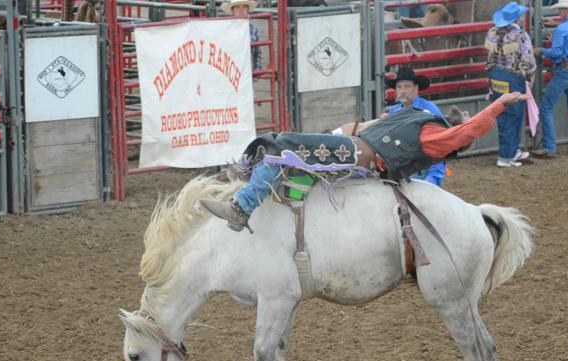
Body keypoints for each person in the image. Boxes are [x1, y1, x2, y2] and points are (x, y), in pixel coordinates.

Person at [200, 92, 528, 232]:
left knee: (283, 145)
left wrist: (498, 105)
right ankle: (274, 193)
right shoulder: (422, 122)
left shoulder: (430, 130)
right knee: (286, 147)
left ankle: (241, 206)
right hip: (357, 151)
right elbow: (464, 131)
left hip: (358, 157)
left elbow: (465, 132)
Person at [533, 0, 568, 159]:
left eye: (561, 9)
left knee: (545, 107)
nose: (559, 12)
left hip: (564, 70)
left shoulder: (562, 29)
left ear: (566, 10)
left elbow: (557, 52)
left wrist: (541, 50)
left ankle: (550, 147)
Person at [485, 2, 537, 168]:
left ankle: (511, 150)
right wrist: (530, 74)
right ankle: (506, 155)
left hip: (495, 77)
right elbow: (528, 62)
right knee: (514, 115)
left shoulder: (492, 33)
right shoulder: (521, 35)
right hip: (513, 78)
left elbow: (489, 57)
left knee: (502, 113)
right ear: (518, 18)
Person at [385, 67, 448, 185]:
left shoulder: (430, 111)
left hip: (423, 172)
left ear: (416, 88)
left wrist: (433, 178)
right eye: (399, 87)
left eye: (407, 86)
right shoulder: (393, 111)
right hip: (398, 173)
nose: (402, 91)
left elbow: (440, 146)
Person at [222, 0, 261, 71]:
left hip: (247, 72)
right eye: (237, 7)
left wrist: (257, 68)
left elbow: (256, 52)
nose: (241, 10)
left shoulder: (253, 29)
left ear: (248, 10)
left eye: (244, 7)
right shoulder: (226, 29)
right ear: (232, 11)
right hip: (230, 71)